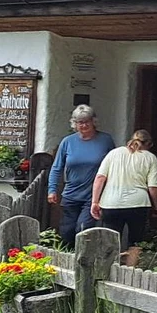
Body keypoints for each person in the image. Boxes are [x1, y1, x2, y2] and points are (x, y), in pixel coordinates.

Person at [91, 129, 157, 266]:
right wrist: (156, 206)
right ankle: (130, 270)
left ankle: (110, 268)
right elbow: (153, 187)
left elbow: (100, 178)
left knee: (111, 239)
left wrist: (95, 201)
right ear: (148, 143)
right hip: (138, 204)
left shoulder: (113, 154)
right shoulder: (149, 157)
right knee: (135, 240)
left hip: (111, 203)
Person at [48, 105, 115, 248]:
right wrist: (52, 189)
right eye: (80, 122)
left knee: (83, 229)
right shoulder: (68, 142)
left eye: (87, 122)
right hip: (71, 194)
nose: (84, 125)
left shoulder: (105, 140)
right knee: (66, 232)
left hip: (93, 196)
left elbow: (113, 166)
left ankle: (84, 261)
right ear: (74, 124)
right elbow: (56, 167)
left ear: (93, 122)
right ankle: (69, 262)